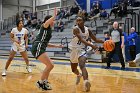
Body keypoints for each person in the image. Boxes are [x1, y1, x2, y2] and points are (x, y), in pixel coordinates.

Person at [69, 17, 104, 92]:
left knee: (82, 65)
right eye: (77, 20)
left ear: (83, 21)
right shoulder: (75, 29)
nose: (78, 22)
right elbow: (81, 39)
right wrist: (92, 46)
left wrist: (105, 42)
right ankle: (79, 75)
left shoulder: (88, 30)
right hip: (73, 50)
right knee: (73, 69)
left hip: (82, 50)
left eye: (80, 20)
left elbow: (95, 40)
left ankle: (86, 82)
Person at [31, 9, 63, 90]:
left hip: (40, 46)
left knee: (50, 65)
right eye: (53, 20)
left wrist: (57, 46)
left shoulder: (48, 31)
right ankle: (40, 82)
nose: (54, 22)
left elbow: (46, 43)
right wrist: (54, 15)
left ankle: (44, 82)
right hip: (38, 46)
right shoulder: (45, 26)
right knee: (50, 65)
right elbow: (46, 22)